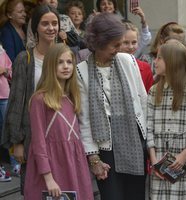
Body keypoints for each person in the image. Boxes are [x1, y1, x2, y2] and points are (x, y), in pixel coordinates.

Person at [77, 13, 147, 200]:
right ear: (99, 42)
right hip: (105, 147)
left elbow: (143, 101)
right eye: (115, 45)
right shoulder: (81, 71)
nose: (119, 49)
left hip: (134, 139)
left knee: (136, 195)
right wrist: (94, 159)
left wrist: (150, 143)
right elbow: (84, 119)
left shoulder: (128, 61)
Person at [1, 4, 60, 195]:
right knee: (35, 186)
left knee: (61, 184)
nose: (51, 28)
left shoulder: (66, 57)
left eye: (54, 23)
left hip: (60, 133)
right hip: (33, 133)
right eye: (45, 24)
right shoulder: (24, 59)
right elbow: (17, 102)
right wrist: (17, 142)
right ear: (35, 28)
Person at [24, 43, 93, 200]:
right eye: (60, 62)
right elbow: (38, 142)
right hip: (52, 166)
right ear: (49, 65)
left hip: (75, 165)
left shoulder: (73, 97)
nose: (65, 66)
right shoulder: (39, 99)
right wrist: (48, 178)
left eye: (69, 62)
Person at [147, 41, 186, 199]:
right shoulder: (153, 91)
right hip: (160, 160)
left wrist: (184, 154)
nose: (155, 62)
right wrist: (154, 160)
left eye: (159, 58)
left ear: (172, 60)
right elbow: (149, 128)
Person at [120, 21, 153, 92]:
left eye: (134, 42)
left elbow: (148, 97)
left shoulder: (145, 68)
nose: (130, 47)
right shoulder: (109, 66)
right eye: (125, 42)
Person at [0, 44, 12, 182]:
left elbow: (10, 69)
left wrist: (5, 70)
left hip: (4, 95)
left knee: (8, 129)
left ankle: (16, 164)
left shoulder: (2, 51)